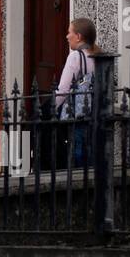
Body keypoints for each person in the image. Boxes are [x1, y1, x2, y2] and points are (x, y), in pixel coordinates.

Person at [55, 17, 99, 169]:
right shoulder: (97, 56)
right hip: (95, 114)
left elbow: (64, 89)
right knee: (91, 154)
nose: (67, 36)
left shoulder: (75, 57)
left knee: (77, 154)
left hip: (78, 115)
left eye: (69, 32)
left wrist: (51, 107)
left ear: (79, 36)